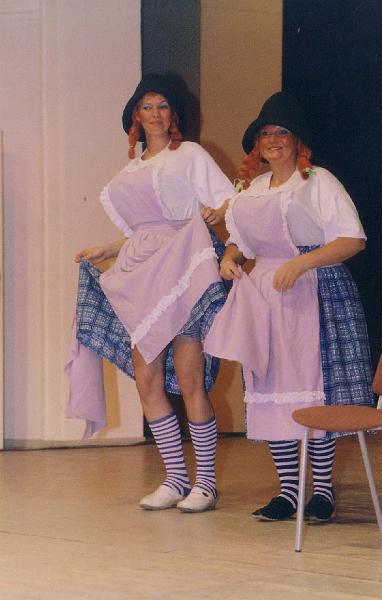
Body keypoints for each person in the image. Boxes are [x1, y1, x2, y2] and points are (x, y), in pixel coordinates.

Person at [67, 73, 234, 513]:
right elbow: (140, 233)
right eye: (147, 107)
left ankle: (206, 483)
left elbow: (229, 200)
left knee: (191, 377)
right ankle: (176, 478)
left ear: (173, 113)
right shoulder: (129, 171)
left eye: (162, 106)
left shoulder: (190, 155)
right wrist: (105, 249)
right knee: (147, 379)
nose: (155, 113)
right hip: (142, 274)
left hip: (184, 268)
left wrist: (214, 215)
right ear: (135, 117)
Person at [204, 91, 373, 521]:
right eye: (267, 133)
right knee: (271, 390)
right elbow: (240, 243)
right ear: (257, 143)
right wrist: (229, 258)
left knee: (315, 388)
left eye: (282, 132)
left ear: (298, 140)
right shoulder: (253, 189)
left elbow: (352, 239)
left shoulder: (318, 181)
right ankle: (288, 491)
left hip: (313, 292)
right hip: (265, 299)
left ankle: (322, 491)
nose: (274, 140)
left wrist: (301, 263)